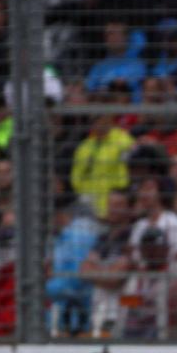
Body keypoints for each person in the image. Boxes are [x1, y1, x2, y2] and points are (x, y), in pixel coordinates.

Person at [121, 226, 177, 339]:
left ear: (166, 249)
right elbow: (125, 306)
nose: (153, 252)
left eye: (157, 247)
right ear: (141, 251)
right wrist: (144, 302)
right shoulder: (136, 279)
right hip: (136, 340)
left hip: (170, 342)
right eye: (148, 248)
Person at [80, 188, 135, 335]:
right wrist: (108, 272)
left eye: (119, 205)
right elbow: (83, 270)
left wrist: (95, 272)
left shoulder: (132, 236)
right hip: (97, 313)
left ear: (129, 209)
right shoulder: (103, 238)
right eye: (111, 204)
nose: (112, 209)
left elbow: (117, 278)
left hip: (118, 316)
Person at [46, 195, 100, 335]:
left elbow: (77, 275)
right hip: (64, 313)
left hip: (79, 313)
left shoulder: (79, 232)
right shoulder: (62, 237)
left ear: (59, 214)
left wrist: (42, 288)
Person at [71, 111, 136, 217]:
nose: (100, 121)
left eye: (101, 117)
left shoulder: (123, 139)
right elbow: (76, 178)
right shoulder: (84, 147)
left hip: (114, 204)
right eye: (96, 119)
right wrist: (85, 193)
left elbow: (131, 166)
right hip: (89, 205)